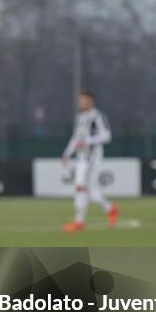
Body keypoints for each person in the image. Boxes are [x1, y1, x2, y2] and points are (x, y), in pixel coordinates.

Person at [61, 90, 118, 232]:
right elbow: (76, 137)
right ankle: (111, 209)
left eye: (86, 100)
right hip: (81, 158)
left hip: (92, 158)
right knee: (91, 193)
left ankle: (79, 222)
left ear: (92, 101)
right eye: (81, 100)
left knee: (80, 187)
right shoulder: (80, 117)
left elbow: (107, 136)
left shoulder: (97, 116)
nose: (83, 102)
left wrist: (88, 140)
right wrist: (67, 153)